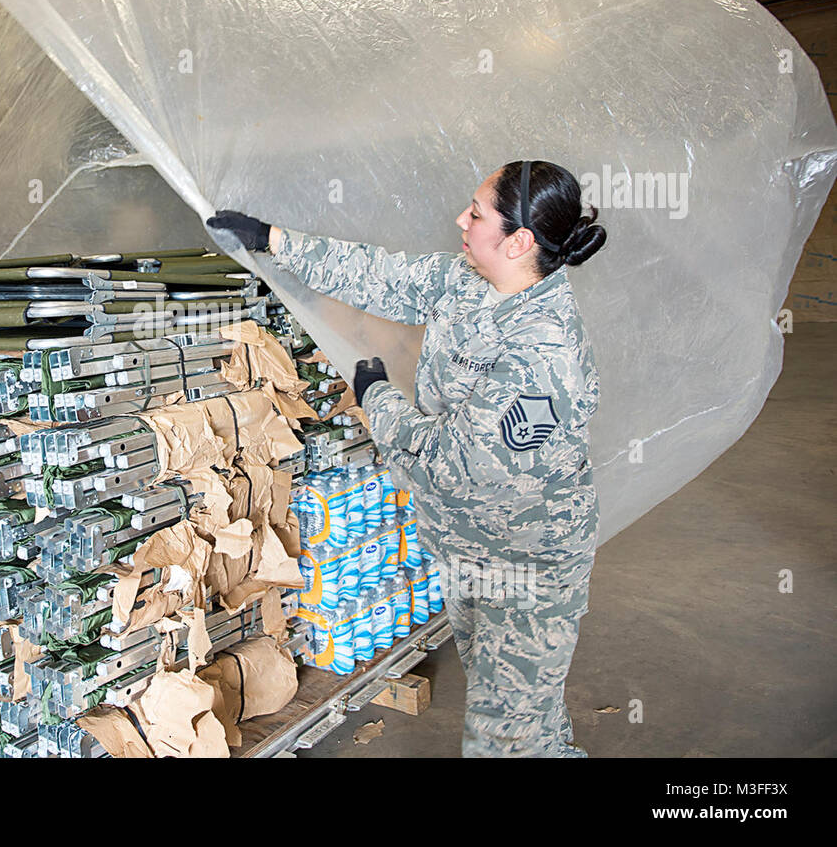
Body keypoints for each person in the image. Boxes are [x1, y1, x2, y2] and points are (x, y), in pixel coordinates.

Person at [207, 160, 607, 757]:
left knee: (505, 736)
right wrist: (272, 240)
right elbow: (382, 276)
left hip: (526, 561)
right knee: (521, 705)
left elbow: (453, 463)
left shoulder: (544, 352)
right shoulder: (472, 281)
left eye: (476, 213)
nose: (460, 220)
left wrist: (378, 396)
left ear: (519, 241)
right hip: (469, 544)